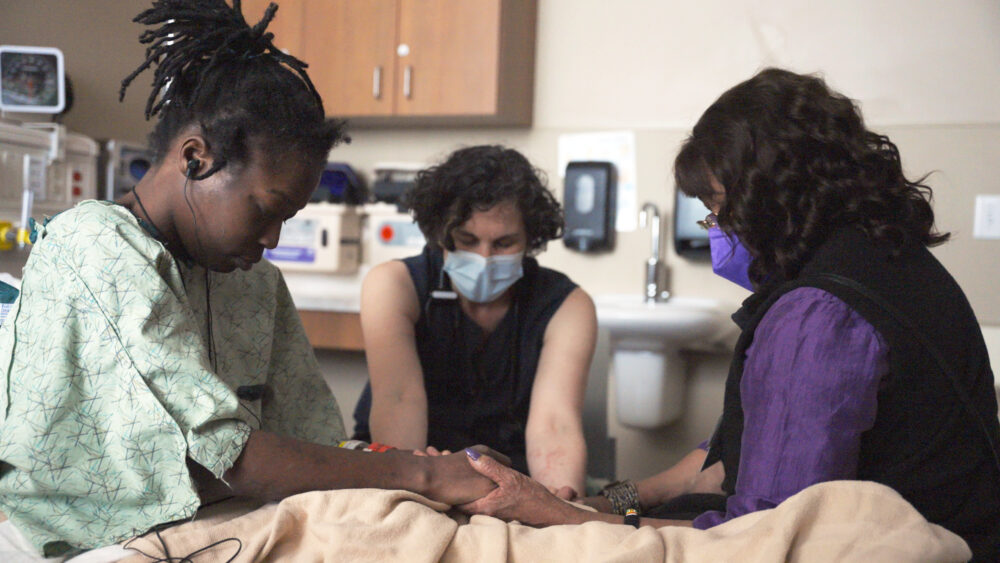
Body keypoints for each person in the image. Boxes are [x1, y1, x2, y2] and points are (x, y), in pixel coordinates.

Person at [0, 0, 497, 557]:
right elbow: (230, 458)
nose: (273, 239)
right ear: (195, 159)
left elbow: (311, 439)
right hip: (80, 528)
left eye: (287, 219)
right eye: (266, 209)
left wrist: (407, 464)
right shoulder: (95, 245)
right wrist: (424, 475)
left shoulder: (252, 280)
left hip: (224, 509)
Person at [456, 68, 1000, 561]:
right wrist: (602, 503)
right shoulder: (890, 260)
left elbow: (760, 537)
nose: (715, 229)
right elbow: (716, 469)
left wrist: (564, 519)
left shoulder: (816, 317)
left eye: (717, 209)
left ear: (773, 198)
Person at [352, 145, 597, 498]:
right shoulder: (393, 286)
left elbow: (554, 425)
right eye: (467, 240)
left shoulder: (567, 306)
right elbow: (399, 400)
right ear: (441, 234)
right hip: (414, 464)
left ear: (530, 239)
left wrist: (557, 503)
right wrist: (419, 483)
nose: (484, 258)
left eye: (504, 243)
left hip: (509, 479)